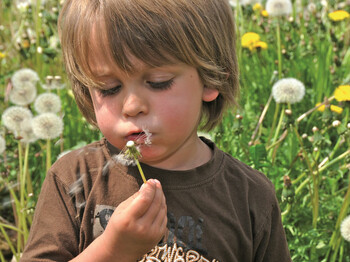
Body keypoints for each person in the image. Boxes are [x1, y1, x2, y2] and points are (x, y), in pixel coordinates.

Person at [21, 0, 292, 261]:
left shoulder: (248, 197)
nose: (132, 106)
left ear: (213, 78)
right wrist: (113, 252)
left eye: (158, 82)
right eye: (108, 88)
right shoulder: (74, 180)